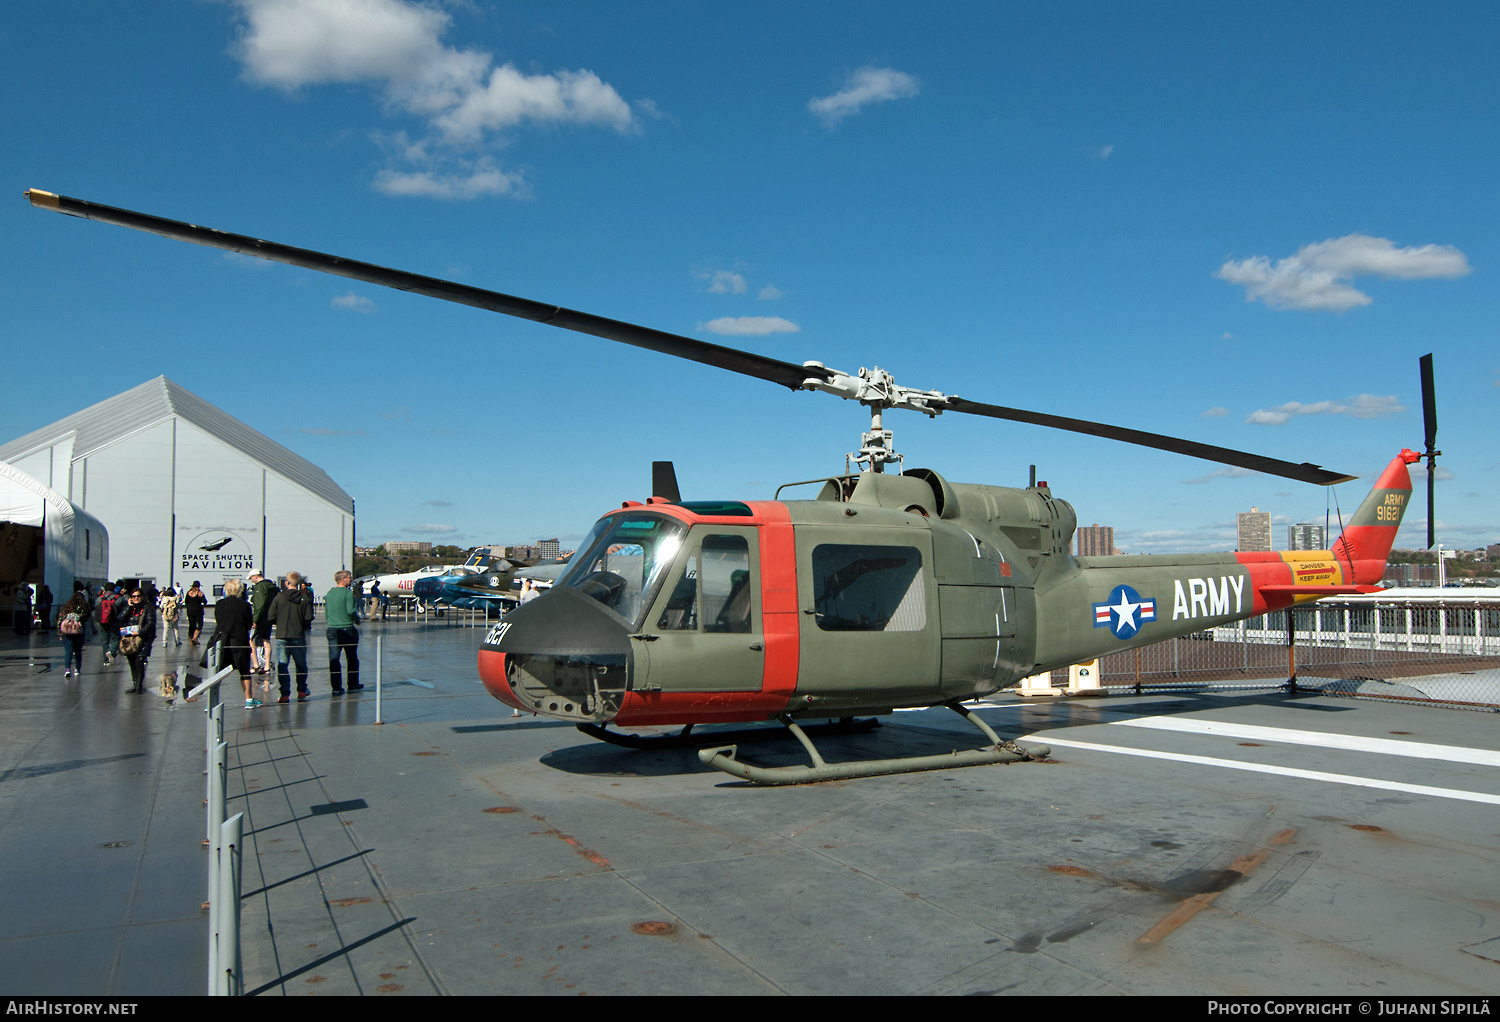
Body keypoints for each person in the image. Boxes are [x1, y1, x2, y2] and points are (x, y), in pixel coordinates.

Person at [206, 578, 257, 709]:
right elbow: (248, 624)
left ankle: (211, 701)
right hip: (239, 639)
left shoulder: (219, 604)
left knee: (217, 672)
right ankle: (248, 699)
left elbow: (219, 621)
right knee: (244, 671)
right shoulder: (245, 605)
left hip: (222, 640)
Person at [268, 570, 314, 703]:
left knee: (283, 665)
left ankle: (284, 693)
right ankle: (301, 689)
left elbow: (270, 616)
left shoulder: (279, 597)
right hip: (298, 635)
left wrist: (279, 622)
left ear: (287, 582)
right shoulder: (304, 598)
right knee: (300, 664)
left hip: (282, 634)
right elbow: (309, 617)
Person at [323, 570, 362, 694]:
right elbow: (350, 610)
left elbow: (327, 612)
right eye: (349, 577)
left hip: (332, 628)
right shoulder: (347, 593)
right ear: (343, 579)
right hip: (346, 628)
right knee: (352, 658)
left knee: (334, 659)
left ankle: (336, 687)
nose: (351, 579)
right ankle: (352, 684)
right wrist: (357, 619)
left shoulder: (329, 593)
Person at [117, 588, 157, 694]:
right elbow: (120, 619)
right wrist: (128, 607)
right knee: (131, 661)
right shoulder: (129, 608)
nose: (136, 598)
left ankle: (139, 685)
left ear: (142, 596)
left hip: (144, 639)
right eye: (134, 596)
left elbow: (150, 623)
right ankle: (135, 683)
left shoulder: (148, 608)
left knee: (139, 660)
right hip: (129, 639)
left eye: (138, 596)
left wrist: (141, 632)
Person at [248, 569, 277, 674]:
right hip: (269, 617)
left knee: (251, 640)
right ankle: (267, 666)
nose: (251, 580)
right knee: (266, 641)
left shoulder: (260, 586)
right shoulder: (271, 586)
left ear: (256, 576)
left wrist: (255, 620)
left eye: (251, 578)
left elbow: (259, 605)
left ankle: (256, 665)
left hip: (261, 618)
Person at [56, 592, 88, 677]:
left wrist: (60, 633)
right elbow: (86, 618)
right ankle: (77, 669)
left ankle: (67, 669)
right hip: (78, 632)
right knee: (78, 651)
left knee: (68, 651)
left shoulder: (66, 608)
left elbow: (60, 620)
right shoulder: (83, 608)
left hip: (67, 632)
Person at [184, 580, 207, 646]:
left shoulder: (189, 592)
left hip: (190, 610)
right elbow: (204, 602)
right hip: (198, 611)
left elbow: (186, 601)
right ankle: (195, 638)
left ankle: (190, 639)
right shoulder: (200, 593)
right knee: (200, 624)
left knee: (192, 625)